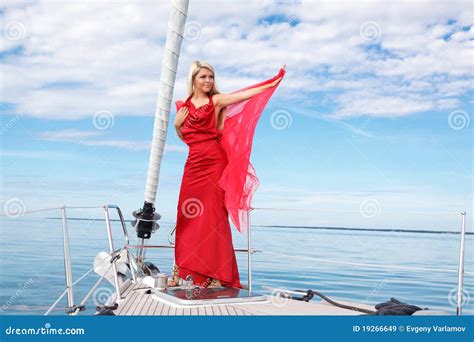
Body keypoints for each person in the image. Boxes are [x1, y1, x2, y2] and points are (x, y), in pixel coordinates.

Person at [170, 60, 285, 288]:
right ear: (193, 79)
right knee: (186, 214)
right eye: (203, 77)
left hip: (214, 162)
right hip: (193, 164)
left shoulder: (217, 101)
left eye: (211, 77)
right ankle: (186, 271)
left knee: (213, 216)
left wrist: (272, 83)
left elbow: (244, 95)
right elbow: (188, 138)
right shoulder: (182, 106)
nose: (208, 81)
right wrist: (176, 125)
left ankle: (215, 275)